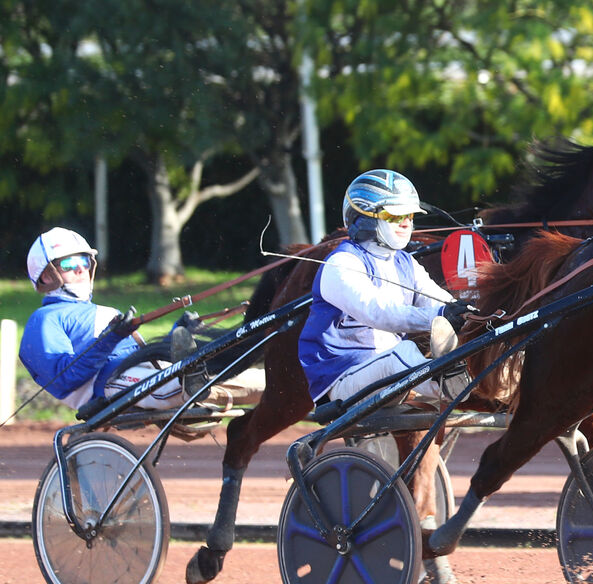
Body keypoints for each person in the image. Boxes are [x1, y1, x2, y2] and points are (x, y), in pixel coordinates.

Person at [19, 227, 260, 413]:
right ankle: (195, 378)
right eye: (70, 263)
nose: (81, 269)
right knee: (185, 382)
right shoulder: (43, 320)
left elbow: (144, 354)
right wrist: (110, 338)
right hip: (114, 385)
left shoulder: (100, 310)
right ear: (47, 277)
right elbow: (63, 379)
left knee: (264, 381)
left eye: (83, 260)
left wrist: (180, 331)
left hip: (150, 372)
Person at [298, 169, 472, 408]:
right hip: (341, 381)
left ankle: (462, 380)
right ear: (366, 217)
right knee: (405, 351)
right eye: (394, 216)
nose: (405, 223)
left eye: (409, 216)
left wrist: (471, 313)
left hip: (386, 375)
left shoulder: (406, 262)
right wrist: (438, 317)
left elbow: (436, 300)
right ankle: (456, 388)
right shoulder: (341, 263)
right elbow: (378, 313)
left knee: (407, 352)